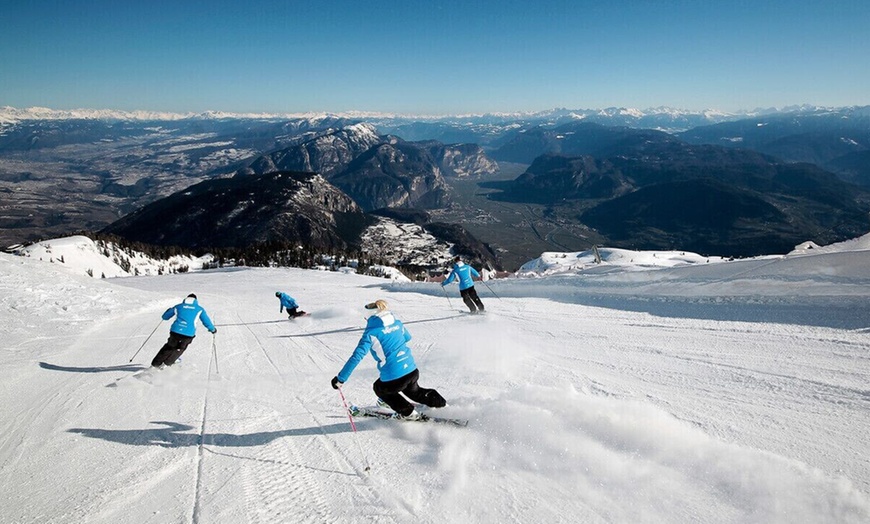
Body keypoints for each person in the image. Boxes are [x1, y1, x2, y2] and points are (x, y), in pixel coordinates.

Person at [331, 300, 446, 420]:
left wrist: (340, 379)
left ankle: (409, 413)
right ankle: (441, 404)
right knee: (413, 391)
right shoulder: (397, 323)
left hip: (394, 376)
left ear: (370, 316)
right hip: (411, 370)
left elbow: (356, 357)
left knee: (380, 388)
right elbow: (407, 337)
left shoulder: (371, 333)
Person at [150, 293, 216, 369]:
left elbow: (165, 317)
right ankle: (167, 364)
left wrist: (168, 311)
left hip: (175, 331)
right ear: (196, 300)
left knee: (169, 347)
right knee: (180, 348)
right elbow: (206, 321)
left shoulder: (178, 306)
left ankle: (155, 364)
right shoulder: (199, 309)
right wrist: (212, 329)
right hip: (188, 333)